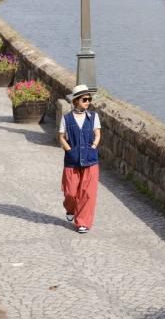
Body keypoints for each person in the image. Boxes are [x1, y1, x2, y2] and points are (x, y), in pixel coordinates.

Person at [58, 84, 101, 234]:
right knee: (70, 192)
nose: (88, 102)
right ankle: (70, 208)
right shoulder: (67, 119)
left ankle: (82, 223)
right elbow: (61, 137)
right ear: (76, 101)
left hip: (90, 159)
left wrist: (94, 145)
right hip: (72, 160)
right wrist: (68, 150)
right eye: (85, 99)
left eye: (89, 99)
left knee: (87, 193)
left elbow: (97, 133)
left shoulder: (94, 117)